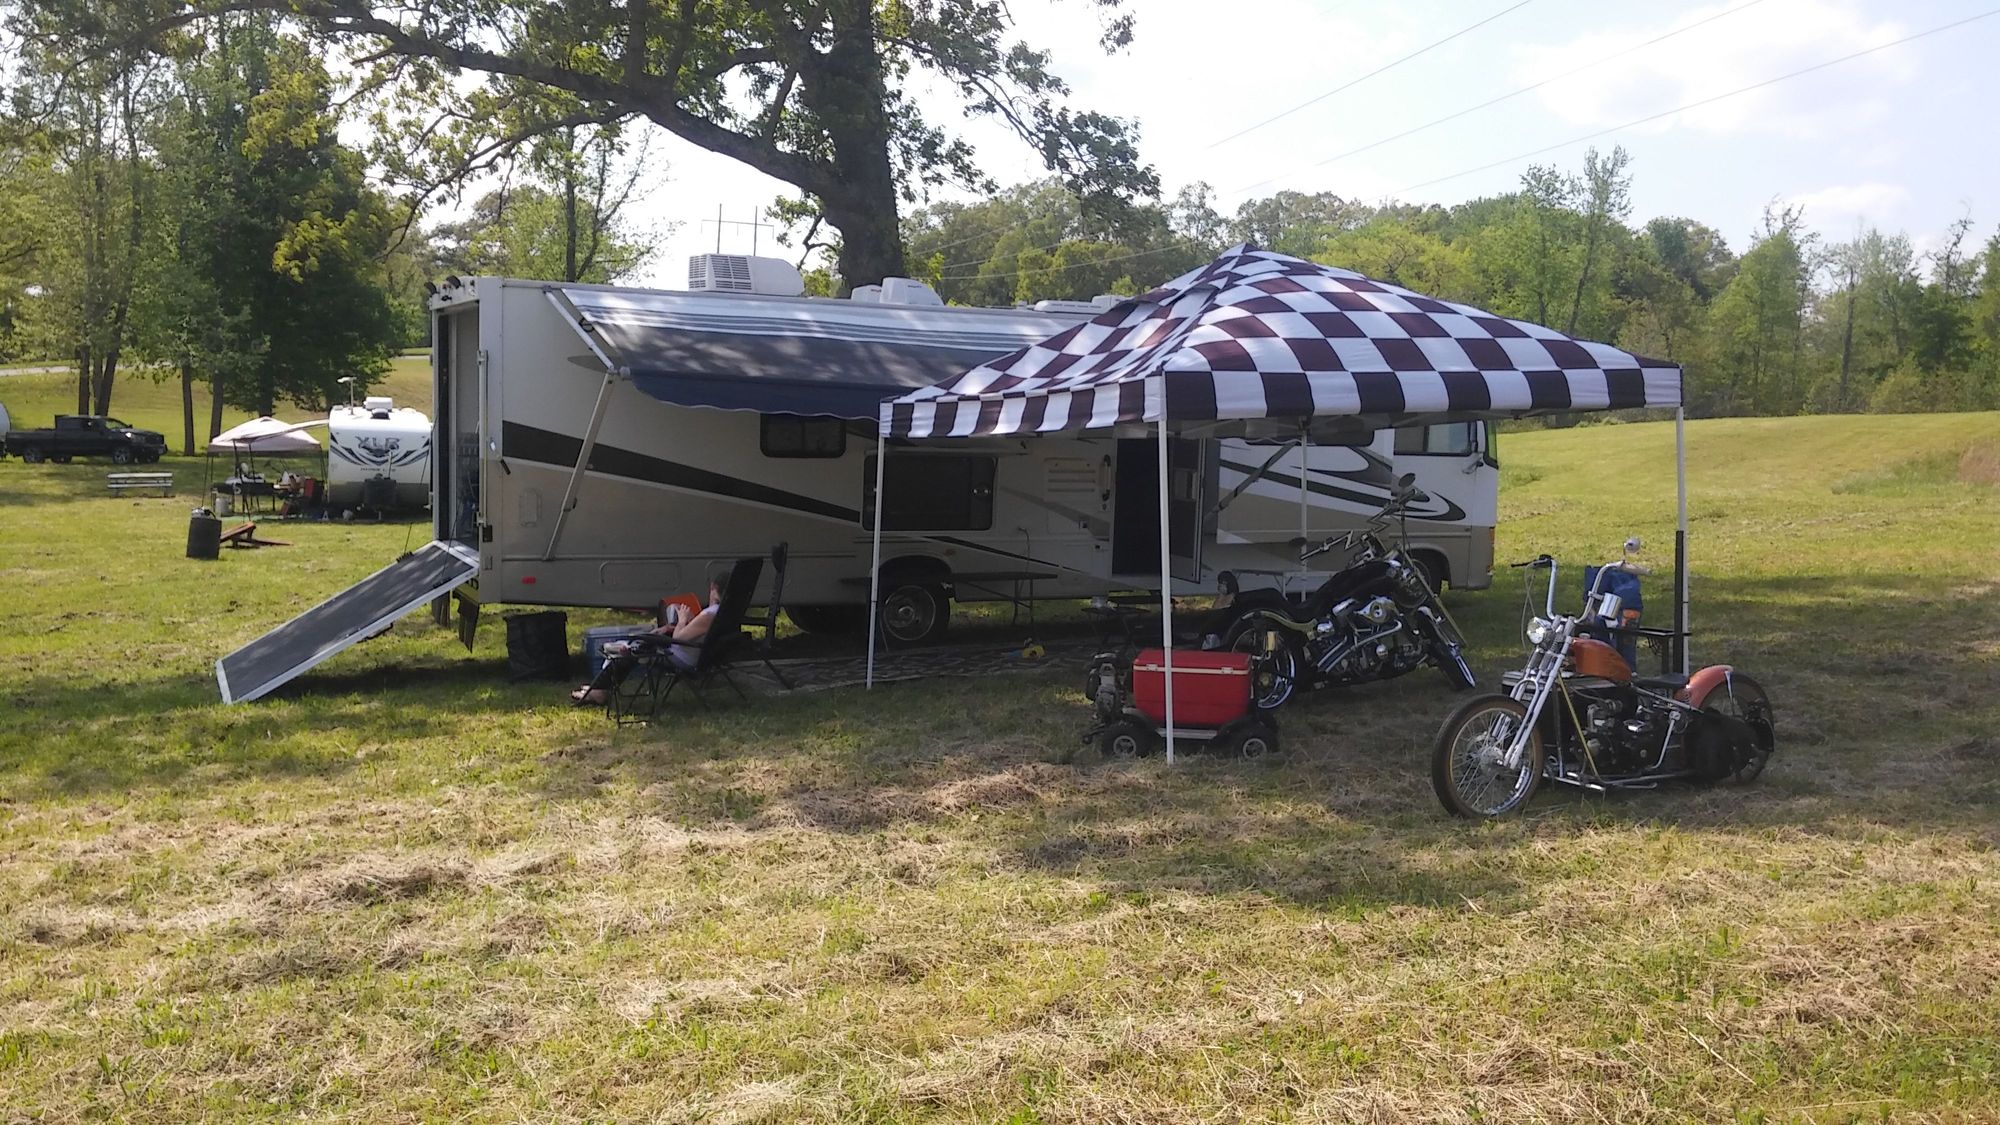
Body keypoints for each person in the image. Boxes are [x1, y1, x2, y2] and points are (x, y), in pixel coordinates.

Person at [570, 572, 730, 706]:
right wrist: (673, 627)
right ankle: (599, 688)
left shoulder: (710, 614)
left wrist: (682, 620)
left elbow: (679, 637)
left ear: (713, 587)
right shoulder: (723, 612)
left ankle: (599, 692)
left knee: (628, 652)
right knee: (633, 646)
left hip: (680, 658)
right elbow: (696, 633)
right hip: (691, 653)